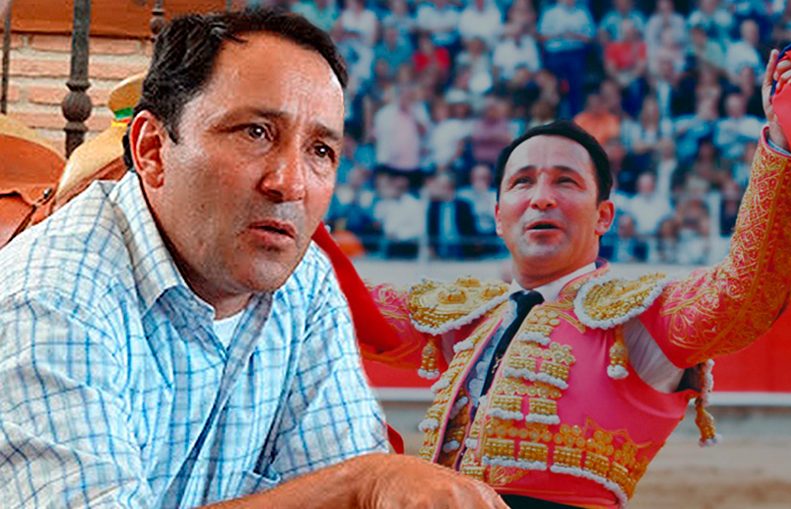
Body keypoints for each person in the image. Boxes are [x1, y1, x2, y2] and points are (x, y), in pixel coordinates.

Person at [0, 10, 507, 509]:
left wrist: (362, 485)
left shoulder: (304, 284)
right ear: (152, 150)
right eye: (255, 132)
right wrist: (356, 484)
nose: (290, 183)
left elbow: (343, 473)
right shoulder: (53, 297)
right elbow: (351, 484)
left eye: (320, 150)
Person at [318, 50, 791, 508]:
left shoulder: (637, 319)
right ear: (498, 216)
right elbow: (344, 305)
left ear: (604, 216)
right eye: (522, 182)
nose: (542, 198)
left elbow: (745, 292)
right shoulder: (468, 318)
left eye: (565, 181)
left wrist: (781, 141)